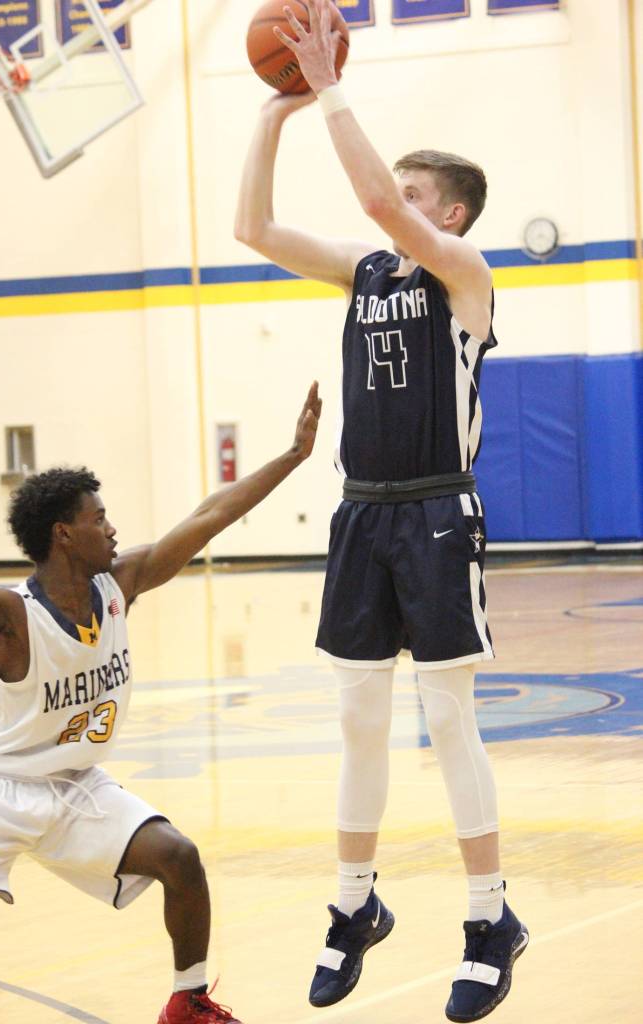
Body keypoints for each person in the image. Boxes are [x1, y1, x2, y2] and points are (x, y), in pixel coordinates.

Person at [234, 3, 527, 1021]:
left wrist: (326, 89)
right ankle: (353, 904)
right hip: (360, 514)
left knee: (445, 719)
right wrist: (271, 114)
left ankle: (488, 918)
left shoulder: (463, 276)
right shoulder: (360, 273)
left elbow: (367, 195)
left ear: (450, 215)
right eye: (394, 192)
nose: (388, 205)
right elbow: (252, 229)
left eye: (411, 196)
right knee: (359, 723)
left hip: (437, 513)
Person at [0, 383, 322, 1024]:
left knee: (178, 858)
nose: (112, 528)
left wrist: (292, 456)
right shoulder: (11, 613)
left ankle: (188, 1003)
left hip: (76, 786)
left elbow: (210, 516)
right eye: (99, 518)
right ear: (64, 534)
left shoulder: (119, 584)